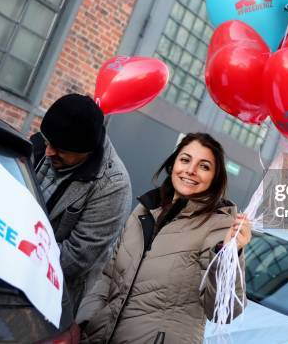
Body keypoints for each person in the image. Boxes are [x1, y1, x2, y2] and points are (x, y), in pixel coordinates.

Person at [76, 132, 251, 343]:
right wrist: (86, 320)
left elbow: (224, 311)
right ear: (172, 164)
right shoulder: (145, 210)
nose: (191, 170)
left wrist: (230, 254)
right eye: (185, 160)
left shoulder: (218, 227)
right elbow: (108, 276)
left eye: (204, 166)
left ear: (215, 178)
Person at [30, 94, 132, 313]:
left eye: (60, 149)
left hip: (49, 296)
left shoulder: (112, 185)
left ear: (87, 152)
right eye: (48, 142)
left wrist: (14, 246)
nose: (48, 152)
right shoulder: (40, 145)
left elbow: (76, 258)